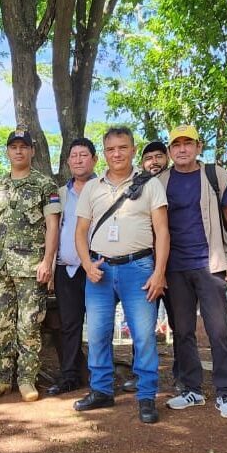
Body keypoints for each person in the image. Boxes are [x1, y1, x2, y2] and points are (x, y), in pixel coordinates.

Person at [72, 127, 170, 424]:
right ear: (105, 152)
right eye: (111, 149)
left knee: (143, 336)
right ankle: (101, 390)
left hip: (138, 268)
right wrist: (87, 264)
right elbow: (80, 231)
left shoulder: (150, 185)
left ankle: (146, 396)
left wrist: (159, 273)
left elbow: (162, 232)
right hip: (99, 269)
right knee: (99, 334)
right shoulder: (92, 187)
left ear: (132, 149)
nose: (117, 154)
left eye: (123, 148)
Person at [158, 124, 227, 419]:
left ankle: (225, 394)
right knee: (182, 332)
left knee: (218, 330)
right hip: (175, 268)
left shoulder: (214, 175)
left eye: (188, 143)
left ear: (198, 146)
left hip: (210, 264)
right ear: (169, 151)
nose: (182, 149)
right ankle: (192, 390)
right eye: (176, 144)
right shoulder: (161, 180)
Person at [0, 125, 62, 402]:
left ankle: (27, 380)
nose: (18, 151)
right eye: (14, 147)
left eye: (23, 147)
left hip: (30, 267)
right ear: (7, 151)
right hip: (0, 267)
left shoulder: (45, 184)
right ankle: (0, 379)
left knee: (28, 326)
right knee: (0, 326)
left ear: (32, 151)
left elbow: (53, 225)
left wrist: (47, 261)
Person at [115, 139, 172, 394]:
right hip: (144, 264)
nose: (154, 162)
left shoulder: (176, 181)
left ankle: (183, 378)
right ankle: (141, 375)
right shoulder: (137, 187)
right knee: (142, 326)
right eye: (149, 158)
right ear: (142, 162)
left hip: (179, 264)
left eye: (159, 156)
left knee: (181, 327)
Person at [47, 138, 97, 396]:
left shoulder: (104, 188)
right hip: (66, 268)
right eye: (74, 155)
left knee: (101, 323)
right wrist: (52, 262)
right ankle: (69, 376)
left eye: (84, 155)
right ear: (68, 161)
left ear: (94, 160)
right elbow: (54, 229)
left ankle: (102, 376)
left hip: (97, 268)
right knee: (69, 324)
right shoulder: (60, 192)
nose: (78, 160)